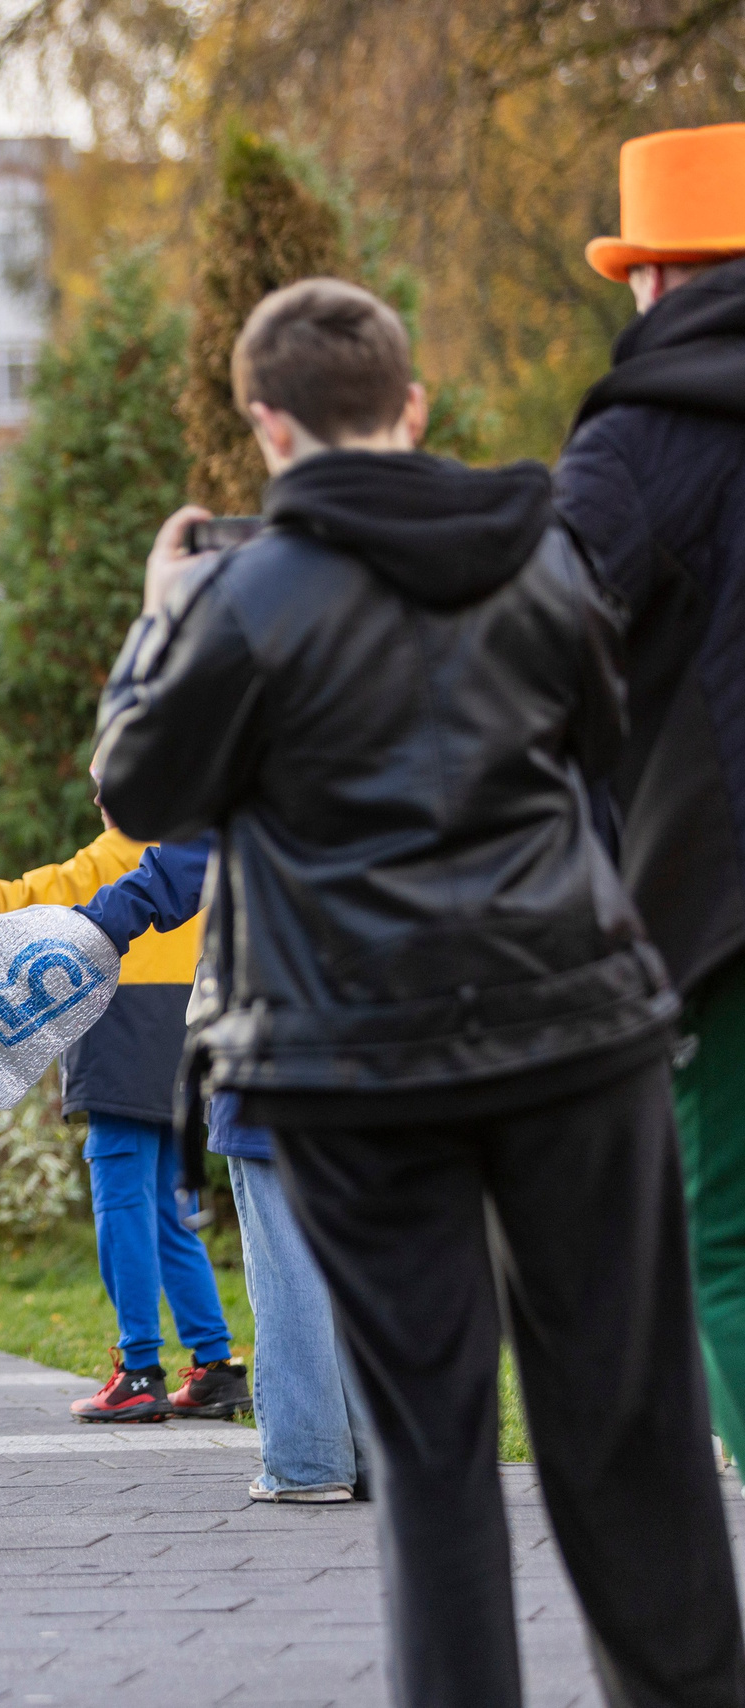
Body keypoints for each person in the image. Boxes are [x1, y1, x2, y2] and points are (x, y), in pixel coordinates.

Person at [93, 276, 742, 1705]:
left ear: (268, 427)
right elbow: (598, 733)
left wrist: (158, 620)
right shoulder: (547, 555)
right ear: (416, 405)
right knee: (627, 1432)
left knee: (432, 1454)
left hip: (353, 1060)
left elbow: (146, 787)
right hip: (578, 1030)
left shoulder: (245, 598)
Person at [551, 123, 745, 1470]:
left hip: (724, 904)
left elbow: (533, 651)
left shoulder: (642, 435)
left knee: (724, 1234)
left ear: (658, 276)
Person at [74, 835, 368, 1501]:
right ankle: (377, 1456)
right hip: (381, 1042)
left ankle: (308, 1463)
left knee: (289, 1266)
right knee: (362, 1264)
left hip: (276, 1040)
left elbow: (187, 857)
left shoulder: (258, 747)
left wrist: (90, 928)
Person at [0, 829, 244, 1425]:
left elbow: (11, 899)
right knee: (165, 1213)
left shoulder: (102, 862)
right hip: (186, 1035)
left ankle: (139, 1371)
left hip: (119, 1035)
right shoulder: (202, 850)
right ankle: (216, 1370)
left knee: (122, 1205)